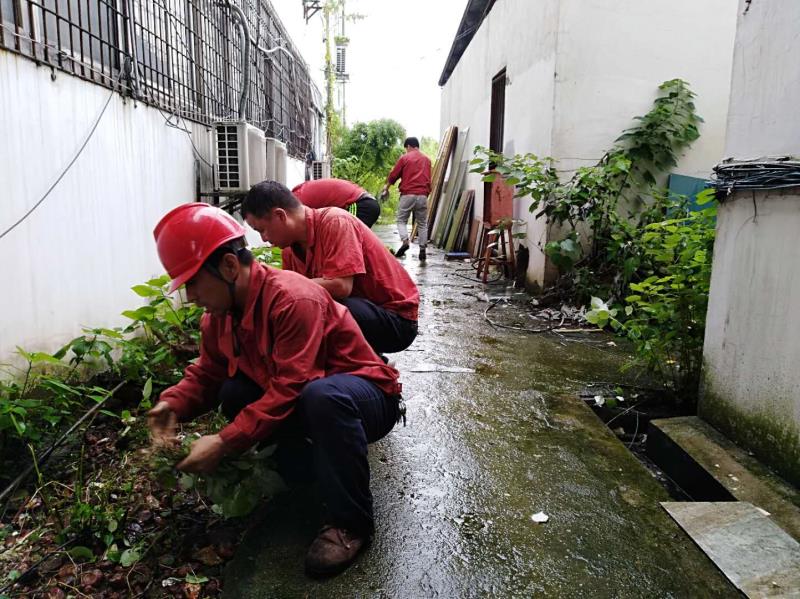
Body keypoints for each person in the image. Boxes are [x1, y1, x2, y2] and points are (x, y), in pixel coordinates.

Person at [147, 203, 404, 577]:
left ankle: (351, 524)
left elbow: (292, 386)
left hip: (366, 397)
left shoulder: (293, 298)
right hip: (311, 398)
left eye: (193, 283)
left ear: (229, 267)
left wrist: (224, 441)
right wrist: (172, 404)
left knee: (321, 397)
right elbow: (208, 373)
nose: (191, 296)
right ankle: (303, 473)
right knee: (234, 392)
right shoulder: (218, 318)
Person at [241, 181, 419, 356]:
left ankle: (369, 362)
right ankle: (368, 361)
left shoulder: (336, 221)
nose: (263, 239)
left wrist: (279, 285)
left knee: (323, 308)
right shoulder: (289, 250)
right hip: (362, 312)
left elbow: (341, 286)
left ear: (280, 216)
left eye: (262, 230)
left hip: (398, 321)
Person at [381, 137, 432, 261]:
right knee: (422, 223)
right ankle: (422, 249)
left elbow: (394, 175)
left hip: (408, 194)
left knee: (401, 220)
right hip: (423, 195)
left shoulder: (405, 158)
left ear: (408, 146)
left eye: (406, 148)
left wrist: (386, 187)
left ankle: (405, 242)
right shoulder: (427, 160)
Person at [293, 178, 381, 228]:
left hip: (361, 204)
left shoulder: (297, 201)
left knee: (346, 240)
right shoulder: (299, 192)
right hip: (364, 203)